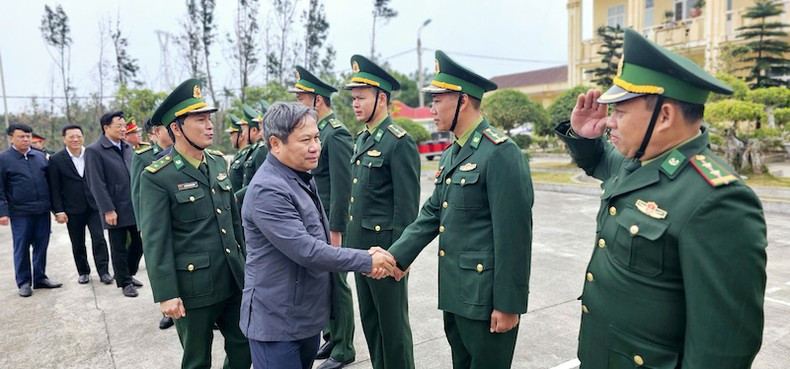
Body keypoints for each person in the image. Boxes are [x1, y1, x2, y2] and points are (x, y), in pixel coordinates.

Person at [555, 28, 767, 368]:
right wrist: (583, 136)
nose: (610, 121)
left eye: (620, 112)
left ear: (664, 116)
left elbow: (723, 346)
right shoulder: (637, 161)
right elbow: (599, 162)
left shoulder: (717, 199)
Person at [386, 50, 533, 369]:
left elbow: (514, 237)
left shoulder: (501, 155)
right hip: (456, 295)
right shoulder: (453, 153)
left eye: (438, 99)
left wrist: (509, 304)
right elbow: (432, 214)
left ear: (463, 100)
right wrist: (396, 255)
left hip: (486, 303)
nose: (432, 107)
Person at [239, 101, 396, 369]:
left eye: (316, 137)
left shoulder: (300, 176)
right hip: (276, 322)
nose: (315, 146)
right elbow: (307, 250)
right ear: (276, 143)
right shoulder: (269, 189)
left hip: (304, 317)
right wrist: (368, 260)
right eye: (305, 140)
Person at [139, 78, 251, 369]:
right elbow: (155, 241)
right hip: (193, 288)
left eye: (209, 119)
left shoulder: (216, 162)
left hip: (232, 277)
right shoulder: (157, 177)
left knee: (245, 346)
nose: (209, 125)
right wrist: (167, 294)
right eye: (200, 120)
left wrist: (248, 264)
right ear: (176, 128)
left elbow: (233, 222)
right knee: (197, 359)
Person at [343, 54, 420, 369]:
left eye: (361, 97)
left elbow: (407, 209)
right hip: (361, 253)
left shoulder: (398, 143)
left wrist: (401, 257)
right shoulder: (361, 139)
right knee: (371, 324)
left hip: (386, 255)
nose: (355, 104)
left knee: (393, 330)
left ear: (382, 98)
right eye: (353, 99)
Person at [288, 65, 356, 369]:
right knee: (323, 281)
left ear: (317, 101)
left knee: (337, 284)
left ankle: (345, 347)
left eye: (302, 98)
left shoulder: (336, 134)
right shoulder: (314, 133)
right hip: (315, 221)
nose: (298, 105)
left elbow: (343, 186)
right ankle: (331, 334)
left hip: (330, 223)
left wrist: (337, 228)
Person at [85, 110, 145, 298]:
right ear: (106, 128)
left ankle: (127, 272)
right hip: (115, 207)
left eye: (123, 125)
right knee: (118, 246)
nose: (122, 129)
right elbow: (96, 183)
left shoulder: (127, 147)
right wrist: (107, 209)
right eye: (118, 125)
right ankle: (125, 282)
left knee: (139, 242)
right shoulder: (94, 151)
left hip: (134, 205)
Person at [0, 123, 61, 297]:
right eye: (21, 136)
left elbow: (51, 184)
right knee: (22, 247)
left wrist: (56, 210)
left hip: (42, 210)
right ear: (11, 138)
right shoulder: (3, 159)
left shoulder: (40, 156)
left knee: (41, 245)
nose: (26, 140)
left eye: (28, 136)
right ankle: (24, 282)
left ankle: (40, 277)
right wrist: (2, 212)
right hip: (20, 212)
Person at [47, 125, 112, 285]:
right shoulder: (56, 159)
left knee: (99, 239)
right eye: (71, 137)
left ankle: (104, 272)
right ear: (64, 139)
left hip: (94, 206)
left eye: (78, 136)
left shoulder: (92, 153)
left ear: (83, 137)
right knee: (77, 242)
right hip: (72, 209)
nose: (75, 139)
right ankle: (83, 272)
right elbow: (54, 188)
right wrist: (58, 210)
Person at [131, 118, 176, 330]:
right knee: (160, 263)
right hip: (156, 220)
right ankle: (166, 309)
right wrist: (142, 226)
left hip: (180, 217)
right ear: (154, 134)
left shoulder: (186, 150)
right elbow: (138, 193)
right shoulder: (143, 156)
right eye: (167, 129)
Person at [234, 103, 269, 202]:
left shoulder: (262, 150)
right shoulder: (256, 149)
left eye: (261, 128)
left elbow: (262, 182)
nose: (260, 132)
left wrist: (237, 197)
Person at [226, 113, 251, 192]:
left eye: (232, 134)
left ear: (240, 136)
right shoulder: (238, 155)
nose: (230, 138)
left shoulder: (248, 155)